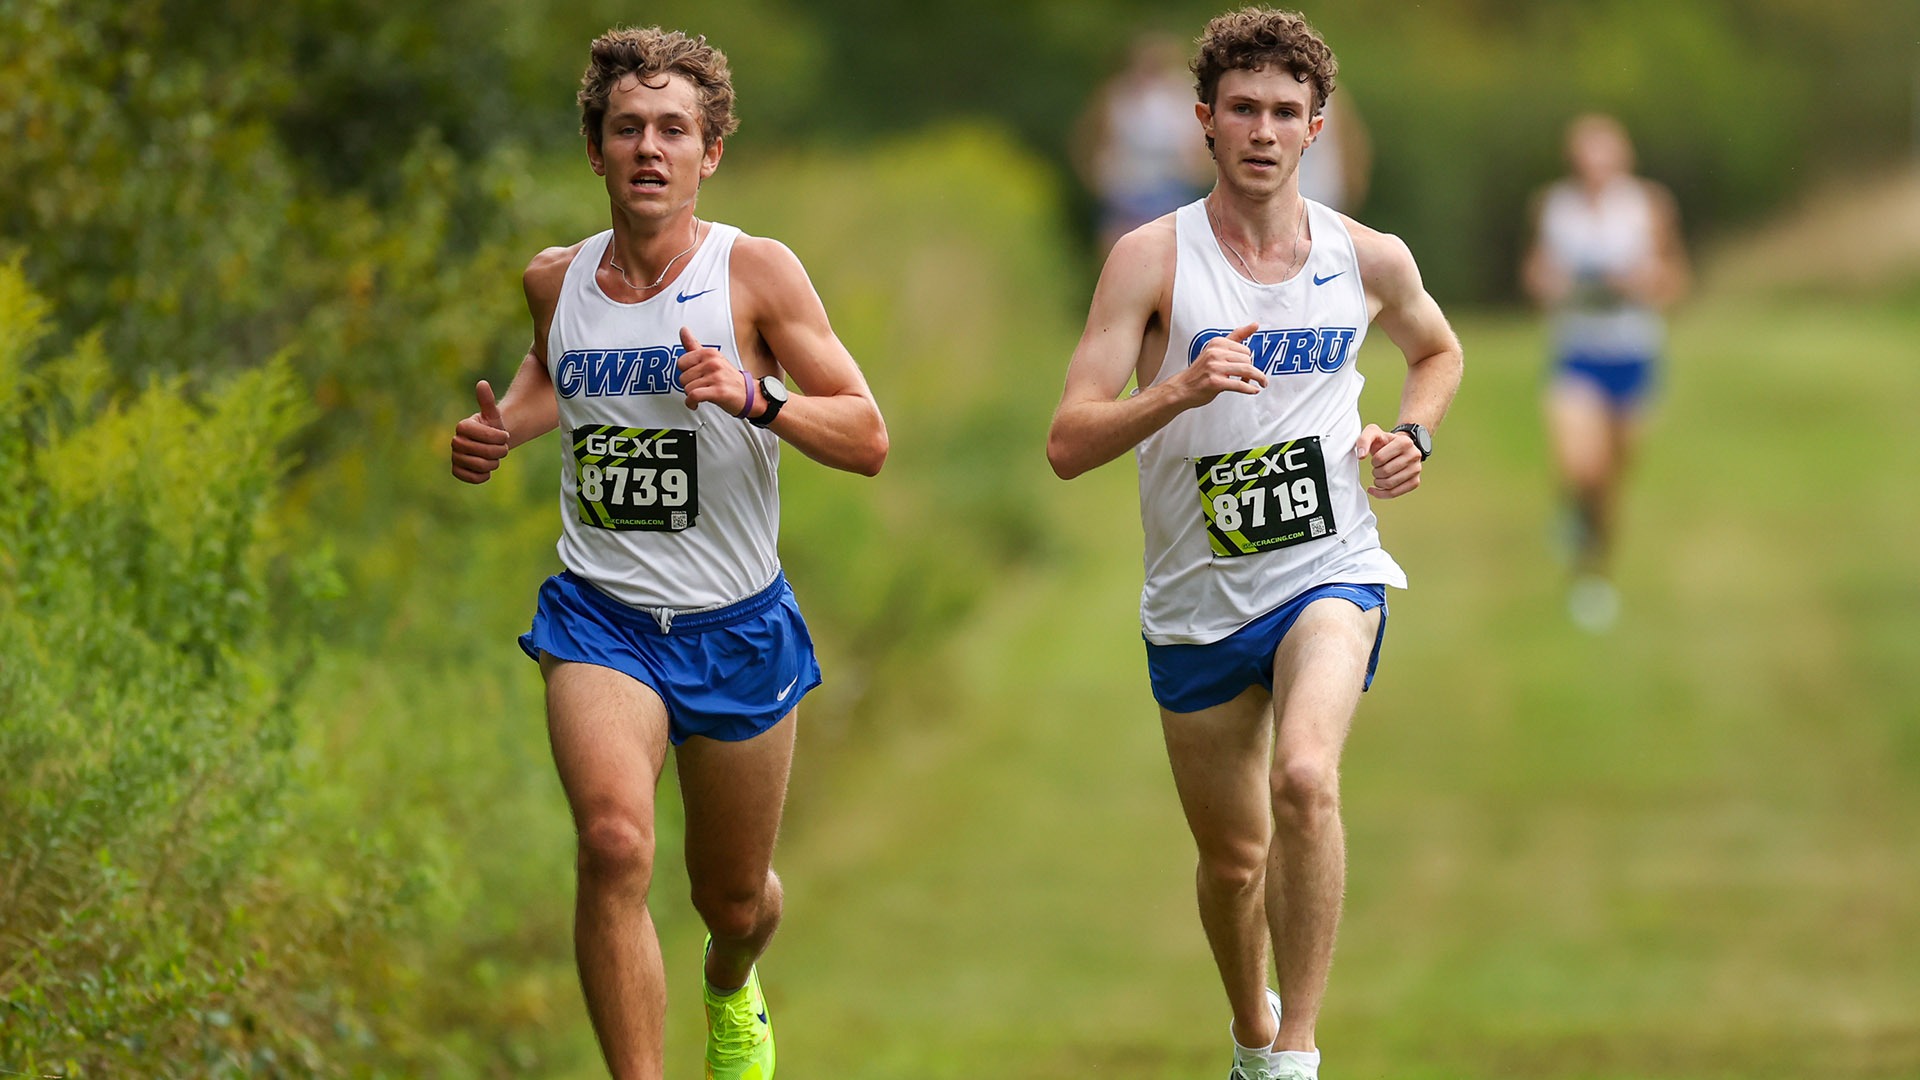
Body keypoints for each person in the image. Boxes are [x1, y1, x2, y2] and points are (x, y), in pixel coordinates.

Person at [448, 27, 887, 1080]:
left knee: (732, 900)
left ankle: (732, 981)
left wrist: (753, 394)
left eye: (674, 130)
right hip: (601, 617)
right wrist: (501, 427)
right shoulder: (555, 281)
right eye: (628, 127)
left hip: (737, 626)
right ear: (595, 148)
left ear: (711, 153)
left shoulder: (755, 273)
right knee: (612, 846)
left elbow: (867, 434)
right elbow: (554, 375)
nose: (650, 147)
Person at [1046, 9, 1462, 1080]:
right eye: (1243, 109)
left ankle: (1297, 1052)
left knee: (1306, 780)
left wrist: (1411, 434)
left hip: (1330, 568)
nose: (1263, 130)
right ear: (1205, 121)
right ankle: (1248, 1031)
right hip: (1196, 600)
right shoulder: (1150, 260)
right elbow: (1066, 440)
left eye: (1286, 112)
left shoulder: (1365, 255)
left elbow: (1437, 348)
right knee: (1233, 865)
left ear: (1317, 127)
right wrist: (1176, 389)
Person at [1522, 113, 1688, 631]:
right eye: (1586, 157)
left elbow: (1676, 278)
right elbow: (1535, 273)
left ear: (1622, 160)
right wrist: (1548, 282)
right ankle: (1585, 573)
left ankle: (1595, 561)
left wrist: (1645, 282)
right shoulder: (1554, 207)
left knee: (1610, 481)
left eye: (1605, 157)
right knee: (1582, 465)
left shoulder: (1649, 206)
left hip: (1634, 355)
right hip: (1576, 356)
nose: (1595, 167)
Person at [1075, 31, 1218, 252]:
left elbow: (1203, 147)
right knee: (1119, 254)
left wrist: (1196, 173)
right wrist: (1096, 177)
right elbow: (1091, 138)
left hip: (1169, 191)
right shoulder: (1117, 96)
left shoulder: (1182, 99)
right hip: (1123, 191)